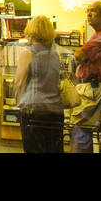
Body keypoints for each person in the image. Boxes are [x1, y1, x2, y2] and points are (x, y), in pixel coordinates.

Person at [71, 0, 101, 153]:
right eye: (87, 11)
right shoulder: (99, 34)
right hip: (94, 89)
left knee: (81, 132)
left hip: (94, 90)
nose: (89, 15)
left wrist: (79, 56)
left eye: (93, 11)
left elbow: (79, 55)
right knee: (86, 134)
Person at [13, 15, 63, 153]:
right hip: (55, 112)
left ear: (31, 30)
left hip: (34, 111)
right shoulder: (55, 54)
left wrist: (17, 100)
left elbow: (19, 82)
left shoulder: (27, 53)